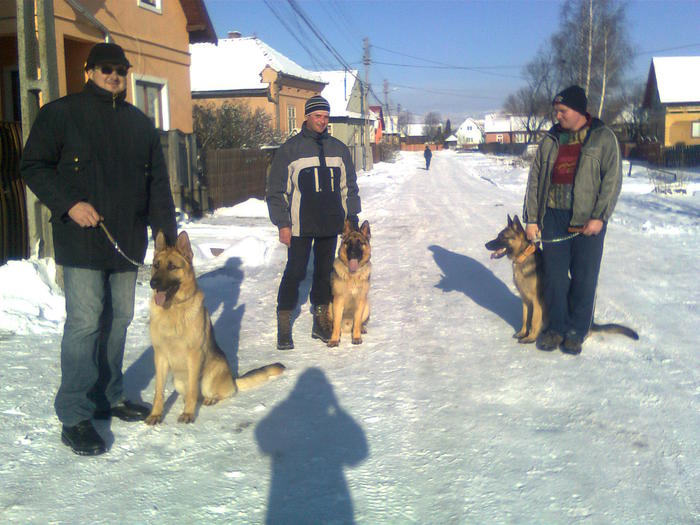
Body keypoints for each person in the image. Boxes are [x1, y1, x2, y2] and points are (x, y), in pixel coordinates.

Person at [21, 42, 177, 455]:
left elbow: (157, 185)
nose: (114, 75)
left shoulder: (139, 123)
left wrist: (170, 240)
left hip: (127, 240)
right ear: (88, 72)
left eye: (121, 70)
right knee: (86, 323)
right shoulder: (61, 114)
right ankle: (74, 413)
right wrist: (69, 204)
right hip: (82, 242)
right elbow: (31, 165)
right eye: (106, 68)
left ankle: (108, 395)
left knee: (121, 318)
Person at [522, 85, 622, 355]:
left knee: (584, 277)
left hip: (588, 218)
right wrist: (532, 219)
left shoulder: (602, 137)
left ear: (579, 111)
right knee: (554, 276)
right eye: (556, 111)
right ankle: (556, 326)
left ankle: (577, 329)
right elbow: (536, 180)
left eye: (562, 111)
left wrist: (599, 217)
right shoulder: (551, 139)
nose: (558, 116)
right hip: (553, 215)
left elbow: (611, 181)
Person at [266, 95, 361, 350]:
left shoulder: (339, 149)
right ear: (307, 117)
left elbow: (349, 187)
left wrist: (352, 219)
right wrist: (282, 223)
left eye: (326, 116)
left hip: (331, 224)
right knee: (295, 271)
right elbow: (275, 190)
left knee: (322, 274)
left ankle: (320, 320)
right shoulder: (290, 150)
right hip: (299, 225)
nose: (322, 121)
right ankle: (284, 321)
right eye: (318, 116)